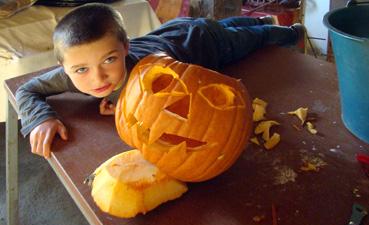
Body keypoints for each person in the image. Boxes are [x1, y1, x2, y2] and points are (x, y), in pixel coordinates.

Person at [15, 3, 304, 158]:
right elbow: (27, 90)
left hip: (206, 44)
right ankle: (262, 21)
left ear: (125, 48)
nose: (97, 77)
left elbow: (173, 104)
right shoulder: (72, 72)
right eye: (81, 70)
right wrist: (40, 119)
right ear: (62, 67)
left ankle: (291, 32)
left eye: (109, 60)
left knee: (248, 39)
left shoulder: (152, 70)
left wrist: (127, 102)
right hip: (177, 28)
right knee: (227, 25)